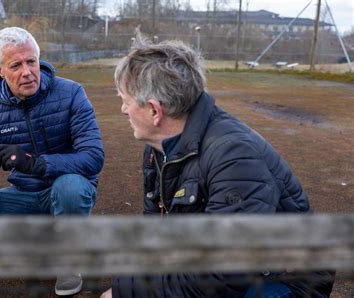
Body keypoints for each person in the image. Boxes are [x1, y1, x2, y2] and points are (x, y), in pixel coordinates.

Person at [101, 32, 334, 297]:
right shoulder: (158, 148)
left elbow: (221, 277)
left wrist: (124, 290)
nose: (123, 109)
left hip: (285, 281)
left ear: (155, 110)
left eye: (125, 100)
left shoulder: (233, 155)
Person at [0, 27, 104, 296]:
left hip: (67, 188)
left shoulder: (72, 93)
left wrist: (36, 163)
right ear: (0, 70)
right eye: (16, 65)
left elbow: (93, 157)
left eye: (31, 61)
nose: (27, 72)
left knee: (70, 189)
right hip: (25, 194)